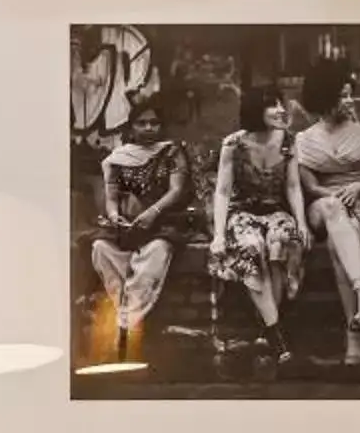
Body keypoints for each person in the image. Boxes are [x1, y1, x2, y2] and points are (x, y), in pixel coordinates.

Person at [292, 58, 360, 363]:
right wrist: (334, 194)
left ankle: (354, 334)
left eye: (350, 94)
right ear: (323, 97)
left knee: (338, 244)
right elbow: (309, 187)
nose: (348, 101)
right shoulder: (305, 139)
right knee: (332, 208)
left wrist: (357, 189)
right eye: (341, 95)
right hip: (324, 206)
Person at [87, 94, 190, 367]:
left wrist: (152, 212)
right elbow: (111, 195)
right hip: (127, 227)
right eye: (142, 123)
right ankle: (128, 320)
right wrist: (114, 215)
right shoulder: (118, 158)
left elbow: (177, 190)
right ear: (131, 127)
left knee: (154, 257)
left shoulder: (172, 151)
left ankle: (125, 328)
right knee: (100, 249)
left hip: (162, 225)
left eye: (154, 123)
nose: (148, 128)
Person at [208, 84, 306, 367]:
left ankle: (267, 327)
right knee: (252, 246)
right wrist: (218, 234)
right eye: (271, 105)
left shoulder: (289, 141)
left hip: (276, 211)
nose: (280, 109)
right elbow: (223, 192)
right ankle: (275, 334)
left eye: (280, 103)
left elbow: (292, 186)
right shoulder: (233, 144)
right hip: (243, 213)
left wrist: (301, 223)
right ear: (255, 110)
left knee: (281, 241)